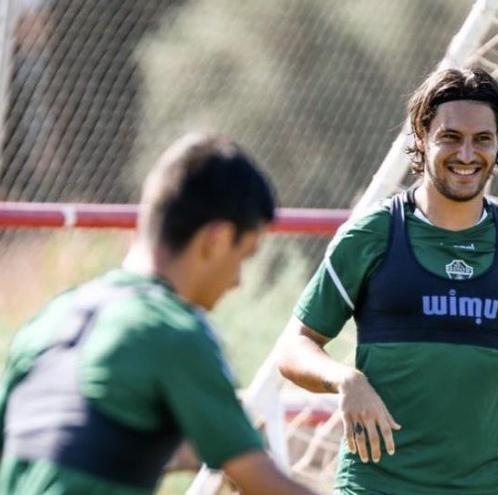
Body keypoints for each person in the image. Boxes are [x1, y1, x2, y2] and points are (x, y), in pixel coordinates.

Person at [278, 67, 498, 495]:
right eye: (451, 137)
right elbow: (294, 347)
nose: (467, 153)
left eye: (482, 139)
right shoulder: (372, 236)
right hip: (376, 487)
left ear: (497, 143)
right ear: (421, 135)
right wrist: (346, 380)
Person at [0, 133, 318, 494]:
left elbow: (79, 440)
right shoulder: (174, 331)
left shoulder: (51, 318)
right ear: (215, 240)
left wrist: (193, 445)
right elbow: (264, 485)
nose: (237, 282)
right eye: (243, 256)